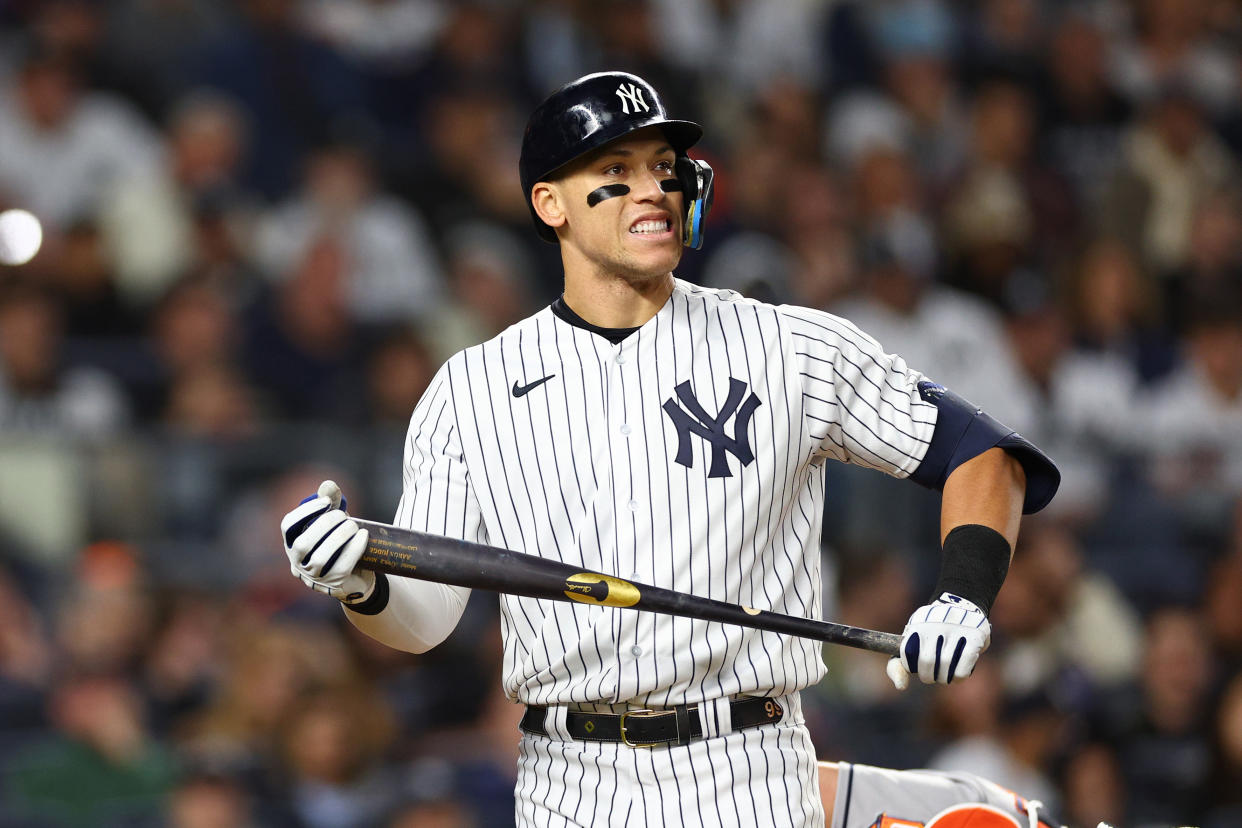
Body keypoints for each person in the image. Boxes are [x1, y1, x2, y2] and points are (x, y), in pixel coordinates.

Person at [279, 72, 1060, 827]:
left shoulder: (785, 344)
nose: (652, 188)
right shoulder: (472, 388)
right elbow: (423, 620)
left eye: (663, 166)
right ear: (549, 203)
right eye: (615, 171)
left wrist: (962, 594)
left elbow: (981, 453)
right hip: (566, 779)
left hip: (749, 768)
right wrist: (358, 581)